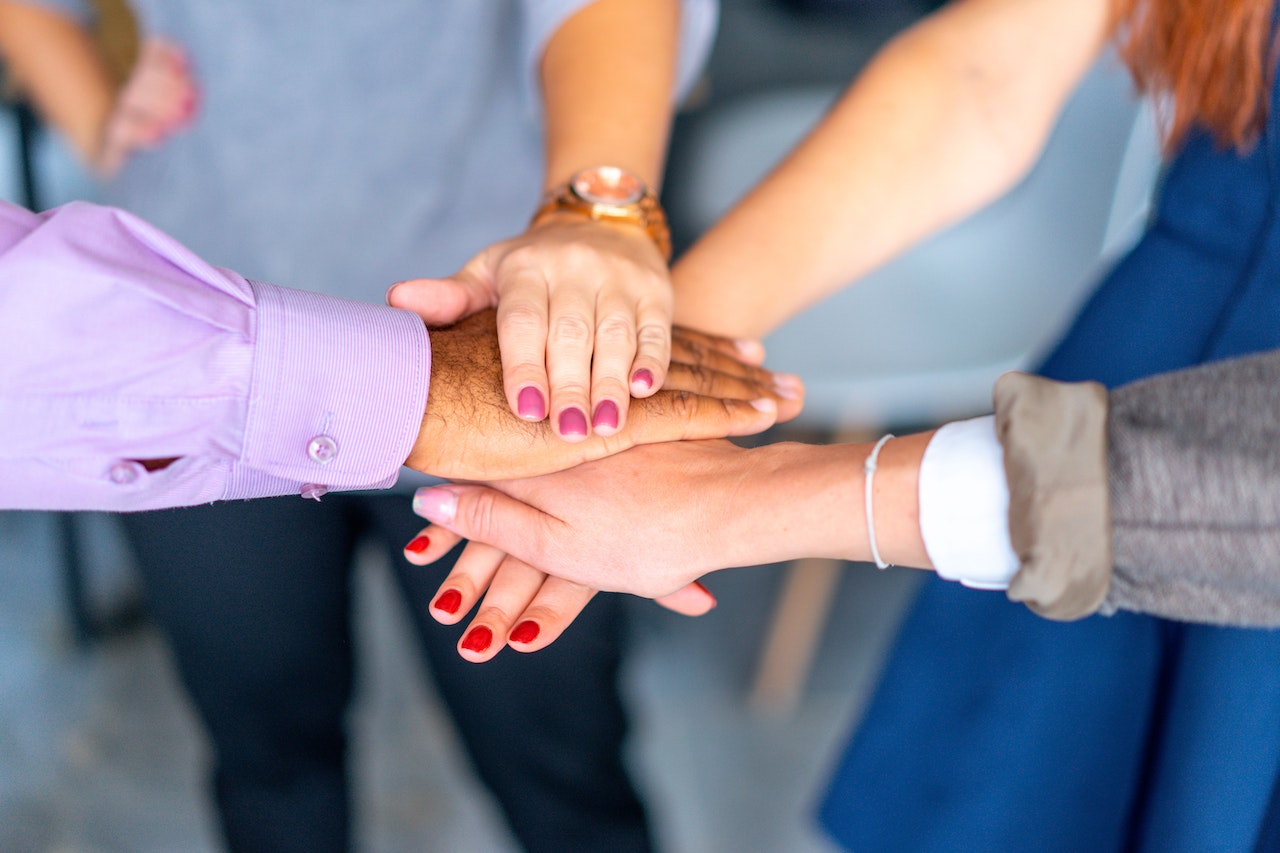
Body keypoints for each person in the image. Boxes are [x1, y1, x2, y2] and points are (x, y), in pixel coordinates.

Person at [391, 0, 1280, 848]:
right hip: (1141, 365)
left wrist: (746, 499)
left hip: (1166, 506)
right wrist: (633, 374)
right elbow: (984, 74)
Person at [0, 1, 730, 849]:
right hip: (197, 333)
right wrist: (100, 121)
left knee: (560, 762)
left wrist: (596, 204)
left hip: (503, 338)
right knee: (267, 760)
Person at [0, 198, 794, 517]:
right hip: (168, 296)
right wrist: (415, 390)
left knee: (553, 747)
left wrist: (595, 206)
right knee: (263, 725)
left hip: (510, 283)